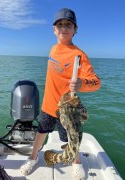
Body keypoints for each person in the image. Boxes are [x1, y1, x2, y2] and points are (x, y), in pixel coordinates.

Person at [20, 8, 101, 179]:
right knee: (41, 132)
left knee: (71, 139)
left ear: (75, 29)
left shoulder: (79, 55)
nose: (64, 28)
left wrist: (82, 83)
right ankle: (32, 159)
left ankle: (76, 162)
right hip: (49, 104)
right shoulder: (53, 49)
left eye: (68, 25)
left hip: (67, 110)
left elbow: (96, 82)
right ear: (54, 30)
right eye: (60, 25)